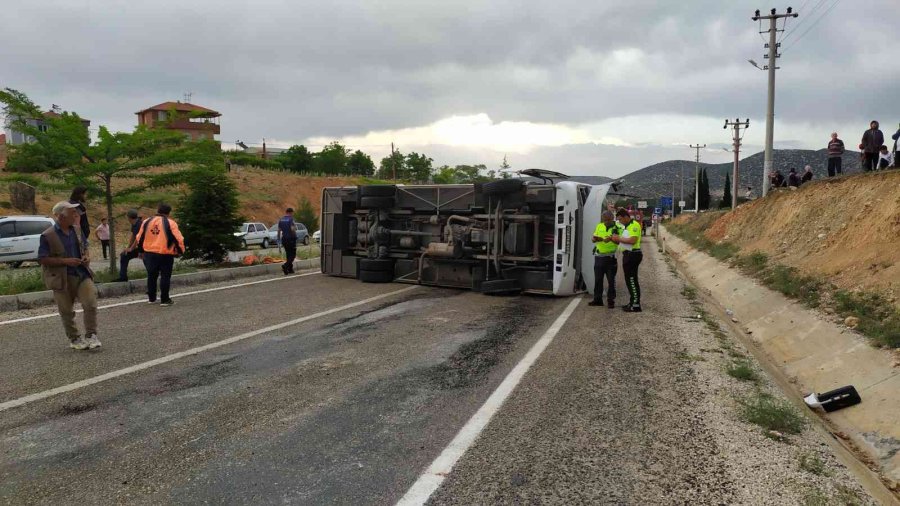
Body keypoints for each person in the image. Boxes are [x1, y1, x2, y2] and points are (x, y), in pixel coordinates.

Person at [38, 201, 100, 350]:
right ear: (61, 216)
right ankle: (74, 338)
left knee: (90, 303)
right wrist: (65, 261)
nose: (76, 215)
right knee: (66, 311)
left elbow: (85, 247)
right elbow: (42, 258)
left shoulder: (78, 230)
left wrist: (86, 256)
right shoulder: (47, 235)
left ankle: (91, 335)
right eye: (72, 213)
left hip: (81, 274)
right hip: (61, 278)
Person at [134, 203, 185, 306]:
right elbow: (178, 238)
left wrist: (140, 251)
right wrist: (180, 251)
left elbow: (139, 237)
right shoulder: (170, 223)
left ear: (158, 210)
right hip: (164, 253)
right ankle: (165, 299)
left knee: (151, 275)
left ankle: (151, 298)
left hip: (149, 253)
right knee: (165, 276)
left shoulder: (146, 221)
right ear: (168, 212)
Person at [609, 208, 643, 312]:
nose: (619, 222)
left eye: (620, 219)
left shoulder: (634, 225)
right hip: (628, 254)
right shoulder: (626, 226)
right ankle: (632, 301)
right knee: (629, 280)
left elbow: (633, 240)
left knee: (632, 280)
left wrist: (618, 238)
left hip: (633, 255)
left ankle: (636, 305)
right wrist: (614, 239)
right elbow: (624, 242)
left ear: (626, 217)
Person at [589, 211, 621, 308]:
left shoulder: (618, 228)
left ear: (612, 218)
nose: (606, 221)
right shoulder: (599, 226)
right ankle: (597, 299)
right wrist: (594, 239)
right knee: (598, 280)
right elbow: (593, 238)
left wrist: (611, 239)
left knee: (611, 280)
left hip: (610, 258)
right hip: (599, 257)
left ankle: (611, 300)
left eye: (608, 220)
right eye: (604, 219)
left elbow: (621, 241)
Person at [115, 209, 143, 282]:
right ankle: (123, 277)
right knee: (124, 255)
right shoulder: (134, 224)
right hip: (139, 247)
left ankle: (156, 276)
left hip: (145, 248)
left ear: (129, 217)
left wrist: (131, 248)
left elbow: (137, 238)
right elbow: (133, 236)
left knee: (148, 262)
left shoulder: (140, 224)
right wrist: (128, 248)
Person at [277, 207, 298, 275]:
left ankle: (290, 269)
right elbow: (292, 229)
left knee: (288, 254)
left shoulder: (281, 220)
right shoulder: (291, 219)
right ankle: (285, 266)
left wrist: (279, 241)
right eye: (292, 213)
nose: (293, 214)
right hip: (291, 239)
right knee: (293, 255)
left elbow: (279, 231)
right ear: (290, 212)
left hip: (284, 239)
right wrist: (295, 233)